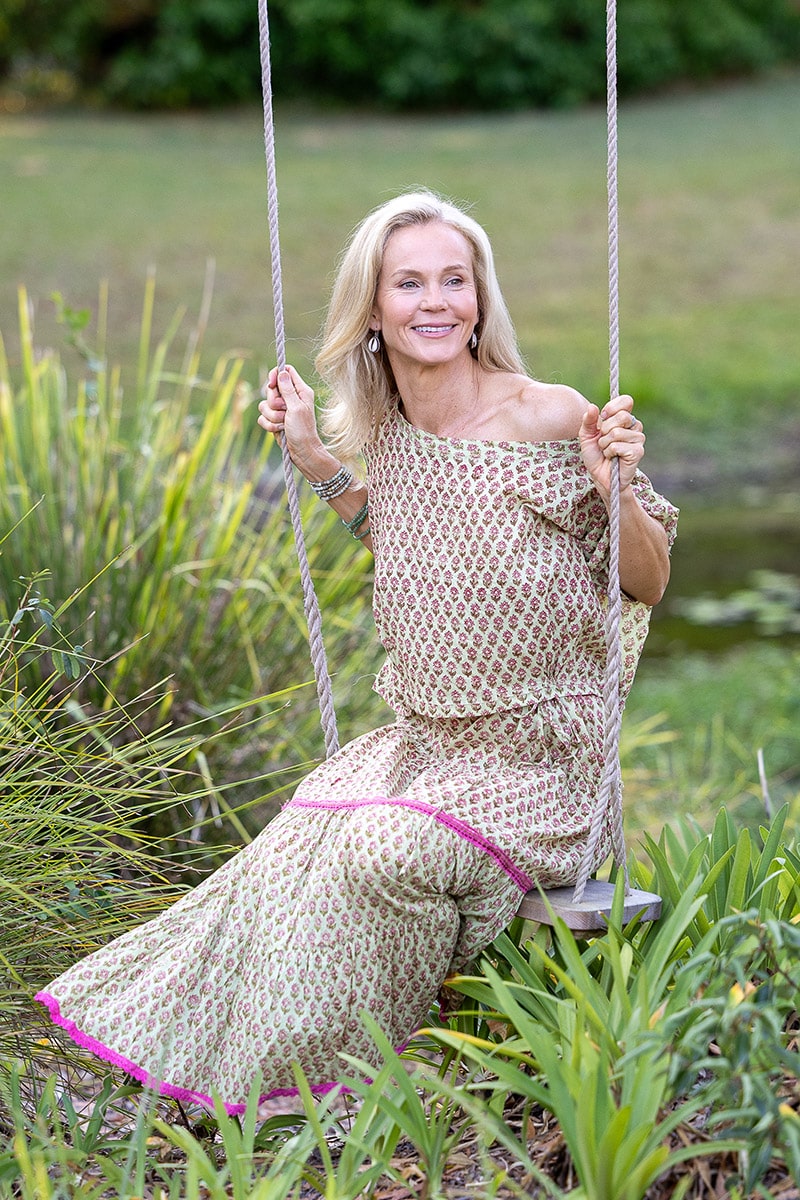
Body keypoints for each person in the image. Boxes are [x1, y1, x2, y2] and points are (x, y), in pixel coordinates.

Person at [36, 190, 677, 1114]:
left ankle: (345, 1087)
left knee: (380, 849)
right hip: (431, 748)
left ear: (481, 298)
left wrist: (614, 484)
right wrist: (317, 463)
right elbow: (419, 544)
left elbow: (647, 581)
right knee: (291, 847)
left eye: (455, 280)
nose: (435, 301)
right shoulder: (391, 436)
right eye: (408, 283)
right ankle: (198, 1066)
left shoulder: (547, 416)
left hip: (543, 764)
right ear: (372, 310)